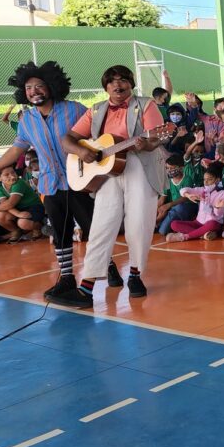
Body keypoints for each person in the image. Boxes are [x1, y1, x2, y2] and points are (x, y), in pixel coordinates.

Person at [0, 61, 125, 305]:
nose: (34, 91)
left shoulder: (75, 109)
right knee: (60, 233)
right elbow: (15, 151)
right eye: (29, 87)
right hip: (50, 184)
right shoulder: (27, 121)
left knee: (93, 230)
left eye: (39, 86)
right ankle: (66, 278)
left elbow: (99, 135)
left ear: (52, 86)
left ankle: (108, 266)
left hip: (80, 181)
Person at [61, 65, 167, 306]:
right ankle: (87, 287)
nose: (117, 85)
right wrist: (81, 152)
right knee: (100, 225)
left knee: (138, 223)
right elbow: (67, 139)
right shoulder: (96, 109)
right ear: (105, 86)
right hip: (106, 171)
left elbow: (155, 140)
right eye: (112, 82)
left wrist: (146, 144)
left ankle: (135, 275)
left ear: (131, 84)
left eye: (122, 80)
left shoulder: (146, 104)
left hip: (139, 166)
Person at [166, 163, 224, 242]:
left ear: (217, 180)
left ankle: (185, 236)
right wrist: (188, 195)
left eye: (209, 179)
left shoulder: (223, 193)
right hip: (198, 223)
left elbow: (218, 215)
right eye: (204, 179)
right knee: (174, 224)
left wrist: (216, 207)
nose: (206, 182)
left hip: (213, 223)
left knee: (212, 224)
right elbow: (183, 190)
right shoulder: (202, 190)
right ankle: (202, 234)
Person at [0, 166, 46, 242]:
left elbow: (10, 203)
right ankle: (16, 231)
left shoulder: (19, 183)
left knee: (23, 223)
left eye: (13, 172)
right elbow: (4, 204)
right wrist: (18, 213)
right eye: (7, 175)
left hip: (34, 207)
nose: (12, 176)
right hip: (18, 208)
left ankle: (39, 228)